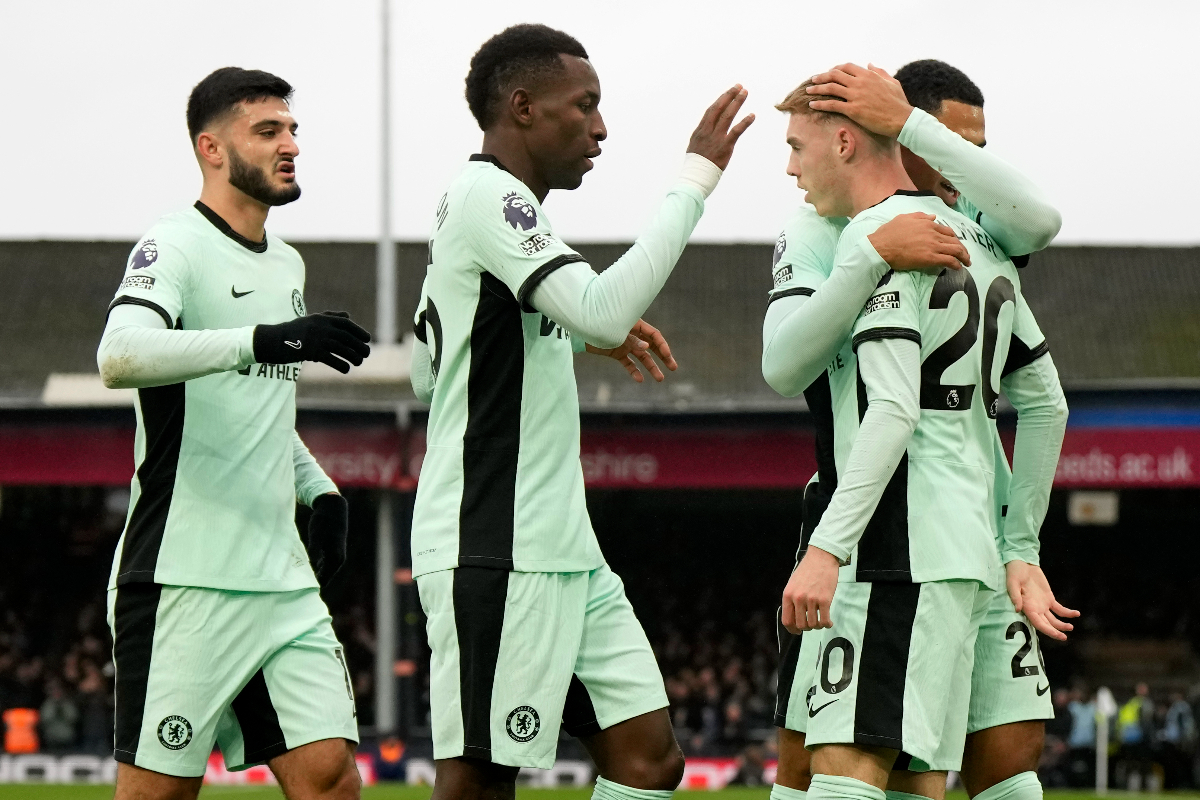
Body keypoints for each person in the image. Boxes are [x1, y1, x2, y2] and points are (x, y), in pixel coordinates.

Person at [407, 23, 752, 800]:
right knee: (481, 783)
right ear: (523, 107)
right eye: (584, 105)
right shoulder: (486, 195)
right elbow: (601, 309)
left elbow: (434, 370)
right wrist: (695, 176)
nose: (600, 127)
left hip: (562, 545)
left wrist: (548, 329)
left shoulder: (495, 211)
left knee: (650, 761)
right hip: (492, 540)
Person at [765, 61, 1076, 800]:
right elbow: (1049, 404)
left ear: (845, 141)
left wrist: (829, 548)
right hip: (960, 538)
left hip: (895, 537)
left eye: (797, 147)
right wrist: (1021, 544)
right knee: (907, 770)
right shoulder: (932, 237)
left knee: (852, 763)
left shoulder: (915, 232)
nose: (788, 166)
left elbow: (894, 409)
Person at [96, 67, 371, 800]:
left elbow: (252, 405)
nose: (290, 146)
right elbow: (119, 356)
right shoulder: (173, 244)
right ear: (211, 148)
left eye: (292, 130)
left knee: (332, 777)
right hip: (186, 576)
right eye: (268, 131)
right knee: (158, 793)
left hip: (281, 581)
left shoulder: (285, 263)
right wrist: (263, 339)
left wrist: (321, 491)